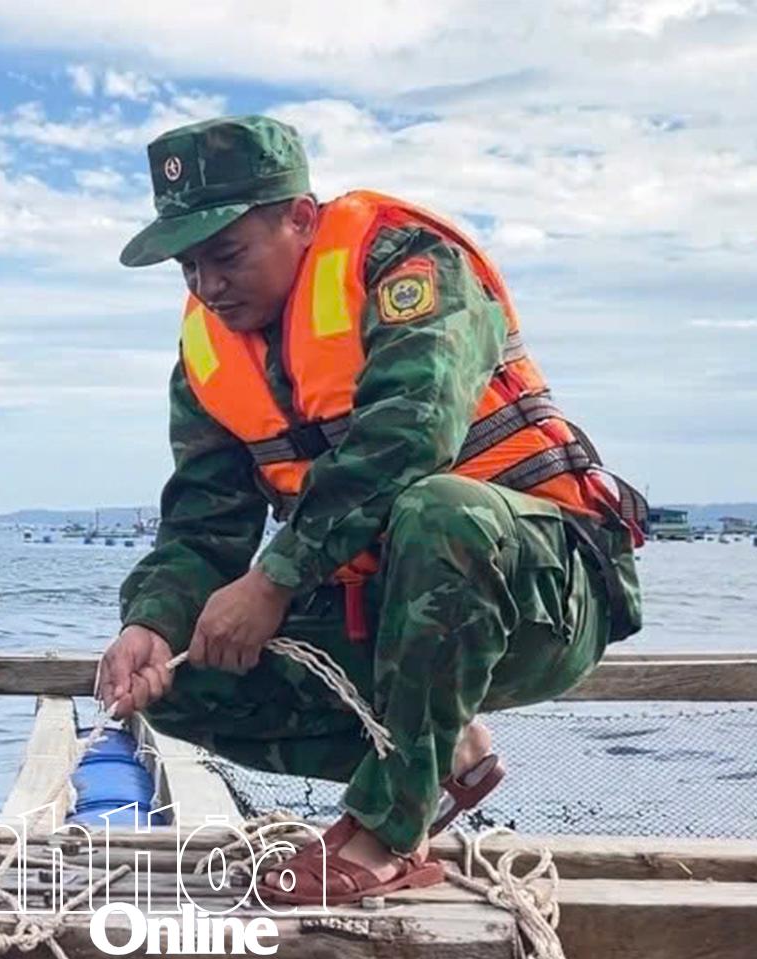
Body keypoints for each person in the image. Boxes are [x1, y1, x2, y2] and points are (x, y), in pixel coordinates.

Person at [98, 116, 645, 905]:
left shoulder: (413, 266)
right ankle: (440, 750)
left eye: (226, 255)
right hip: (388, 617)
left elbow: (411, 434)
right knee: (177, 676)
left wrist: (277, 578)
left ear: (299, 216)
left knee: (439, 512)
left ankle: (389, 829)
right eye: (189, 266)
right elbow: (201, 525)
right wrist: (150, 621)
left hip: (544, 590)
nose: (209, 286)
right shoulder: (207, 358)